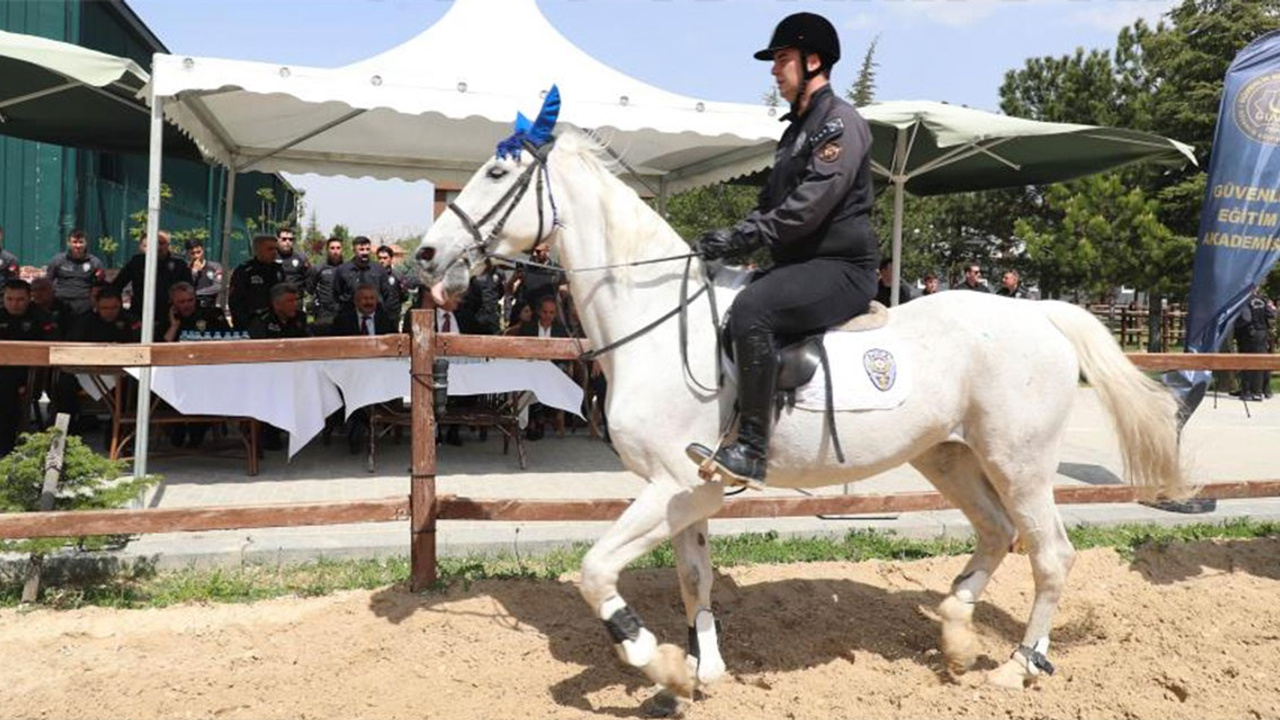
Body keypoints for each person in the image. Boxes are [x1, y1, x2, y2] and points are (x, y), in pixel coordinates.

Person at [687, 12, 878, 489]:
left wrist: (744, 238)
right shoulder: (795, 132)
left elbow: (808, 208)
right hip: (801, 263)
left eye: (783, 59)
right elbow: (771, 205)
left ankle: (752, 448)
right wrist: (731, 236)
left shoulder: (840, 124)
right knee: (724, 303)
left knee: (753, 310)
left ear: (814, 61)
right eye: (775, 61)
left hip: (841, 267)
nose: (774, 70)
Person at [0, 280, 57, 455]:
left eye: (20, 300)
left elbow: (52, 347)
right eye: (9, 299)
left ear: (29, 298)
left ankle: (5, 448)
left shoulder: (41, 317)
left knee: (6, 391)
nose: (14, 304)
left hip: (28, 376)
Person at [110, 230, 190, 319]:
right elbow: (116, 286)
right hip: (139, 316)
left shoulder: (179, 265)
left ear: (168, 245)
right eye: (154, 243)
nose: (158, 247)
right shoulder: (137, 262)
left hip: (170, 317)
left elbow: (189, 290)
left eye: (161, 243)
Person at [228, 235, 285, 329]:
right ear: (258, 250)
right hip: (251, 323)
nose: (274, 252)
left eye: (276, 249)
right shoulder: (245, 271)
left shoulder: (278, 270)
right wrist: (243, 324)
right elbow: (235, 302)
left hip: (275, 324)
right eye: (270, 249)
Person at [45, 229, 107, 314]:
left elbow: (100, 286)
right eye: (74, 242)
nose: (78, 245)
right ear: (68, 243)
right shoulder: (58, 260)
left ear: (86, 243)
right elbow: (48, 282)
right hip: (60, 301)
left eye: (81, 242)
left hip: (84, 303)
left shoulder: (95, 263)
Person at [1234, 285, 1276, 402]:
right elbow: (1272, 314)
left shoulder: (1245, 301)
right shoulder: (1263, 300)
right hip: (1263, 334)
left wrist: (1236, 326)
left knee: (1247, 362)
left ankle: (1248, 391)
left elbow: (1246, 318)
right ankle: (1264, 390)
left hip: (1249, 335)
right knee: (1261, 361)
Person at [334, 236, 390, 311]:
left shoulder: (379, 269)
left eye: (367, 249)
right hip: (349, 315)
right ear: (354, 250)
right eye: (361, 249)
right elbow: (336, 293)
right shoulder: (343, 270)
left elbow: (385, 293)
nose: (365, 252)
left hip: (374, 315)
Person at [161, 282, 230, 342]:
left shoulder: (211, 314)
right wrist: (174, 327)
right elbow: (160, 349)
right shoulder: (167, 320)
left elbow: (229, 339)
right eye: (182, 302)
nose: (187, 305)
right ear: (173, 303)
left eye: (190, 300)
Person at [307, 237, 346, 333]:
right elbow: (310, 288)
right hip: (324, 313)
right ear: (327, 250)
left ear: (342, 250)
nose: (335, 251)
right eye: (332, 248)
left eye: (338, 248)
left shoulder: (348, 268)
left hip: (344, 312)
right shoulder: (318, 268)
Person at [458, 258, 504, 335]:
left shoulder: (497, 274)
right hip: (475, 318)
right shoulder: (472, 278)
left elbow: (500, 292)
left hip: (491, 316)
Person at [332, 283, 397, 337]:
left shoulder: (386, 320)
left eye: (372, 298)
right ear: (356, 301)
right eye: (365, 298)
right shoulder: (342, 321)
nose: (369, 302)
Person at [375, 244, 416, 321]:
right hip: (377, 315)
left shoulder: (397, 275)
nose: (382, 261)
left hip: (393, 316)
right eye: (379, 258)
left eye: (385, 258)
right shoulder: (372, 275)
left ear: (391, 258)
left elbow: (404, 295)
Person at [186, 239, 225, 309]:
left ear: (203, 250)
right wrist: (194, 272)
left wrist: (196, 293)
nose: (196, 256)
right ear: (188, 253)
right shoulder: (185, 268)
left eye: (198, 252)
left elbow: (217, 287)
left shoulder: (215, 266)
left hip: (209, 306)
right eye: (192, 253)